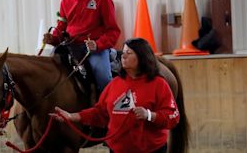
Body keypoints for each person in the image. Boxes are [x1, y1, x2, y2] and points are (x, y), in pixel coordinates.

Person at [51, 38, 179, 153]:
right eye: (123, 52)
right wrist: (72, 116)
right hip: (117, 149)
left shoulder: (159, 84)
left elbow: (173, 117)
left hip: (151, 150)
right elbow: (100, 113)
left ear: (142, 57)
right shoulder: (115, 84)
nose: (123, 56)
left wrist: (149, 115)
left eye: (129, 53)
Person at [43, 0, 121, 94]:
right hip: (70, 47)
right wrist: (53, 39)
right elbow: (61, 28)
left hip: (94, 50)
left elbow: (113, 31)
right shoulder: (66, 0)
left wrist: (97, 44)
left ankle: (109, 109)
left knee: (103, 76)